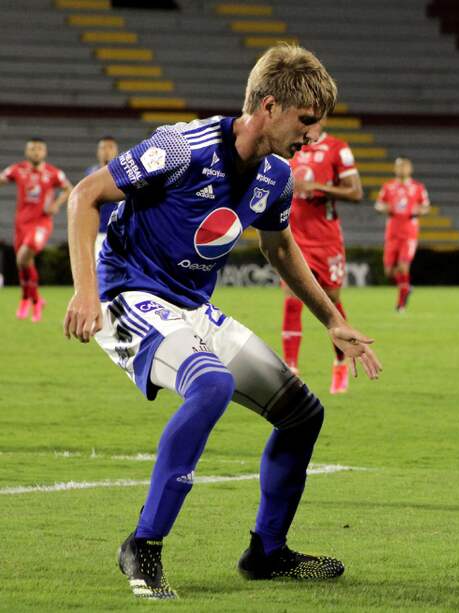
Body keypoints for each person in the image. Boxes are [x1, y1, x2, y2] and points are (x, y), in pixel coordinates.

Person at [63, 44, 381, 600]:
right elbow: (85, 195)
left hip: (191, 307)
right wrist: (85, 292)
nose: (313, 136)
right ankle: (143, 545)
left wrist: (332, 319)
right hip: (127, 295)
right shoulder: (182, 147)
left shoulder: (277, 176)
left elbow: (280, 250)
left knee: (302, 414)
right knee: (211, 384)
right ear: (269, 106)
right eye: (306, 121)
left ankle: (267, 552)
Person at [285, 119, 363, 393]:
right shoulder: (290, 145)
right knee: (292, 300)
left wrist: (318, 187)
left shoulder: (337, 148)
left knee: (330, 300)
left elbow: (356, 192)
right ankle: (291, 369)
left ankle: (340, 362)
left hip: (326, 240)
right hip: (293, 237)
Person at [1, 138, 72, 322]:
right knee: (24, 264)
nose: (36, 152)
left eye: (39, 149)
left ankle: (31, 300)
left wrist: (56, 204)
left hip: (41, 223)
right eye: (32, 149)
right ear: (27, 152)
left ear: (45, 152)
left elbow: (68, 189)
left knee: (22, 258)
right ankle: (31, 300)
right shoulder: (18, 169)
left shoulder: (53, 173)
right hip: (21, 224)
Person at [374, 157, 430, 312]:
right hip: (392, 233)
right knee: (389, 272)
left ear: (410, 169)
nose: (402, 169)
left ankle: (401, 304)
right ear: (395, 168)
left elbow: (426, 207)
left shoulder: (418, 187)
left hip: (409, 234)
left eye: (405, 166)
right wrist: (386, 208)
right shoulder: (388, 186)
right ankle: (406, 287)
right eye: (399, 166)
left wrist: (417, 210)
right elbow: (378, 205)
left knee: (403, 267)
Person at [84, 136, 121, 260]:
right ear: (98, 152)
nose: (106, 151)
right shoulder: (90, 173)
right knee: (98, 266)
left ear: (116, 151)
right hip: (97, 232)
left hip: (118, 231)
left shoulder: (124, 173)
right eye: (103, 148)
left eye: (110, 147)